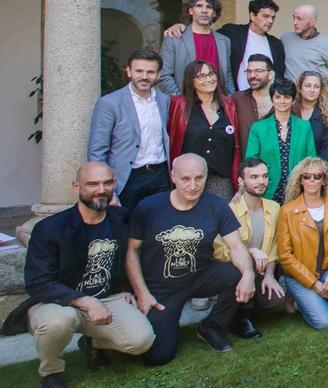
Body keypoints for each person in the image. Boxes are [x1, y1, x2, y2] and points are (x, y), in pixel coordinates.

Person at [3, 163, 153, 387]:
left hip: (107, 299)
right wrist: (84, 301)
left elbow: (129, 256)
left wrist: (128, 289)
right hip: (59, 302)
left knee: (141, 340)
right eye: (92, 184)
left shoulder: (120, 218)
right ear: (76, 186)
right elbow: (38, 283)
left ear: (114, 184)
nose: (101, 189)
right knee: (58, 322)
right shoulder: (50, 228)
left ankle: (93, 341)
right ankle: (51, 372)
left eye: (107, 183)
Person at [125, 154, 255, 365]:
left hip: (200, 276)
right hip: (162, 288)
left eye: (199, 178)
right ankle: (166, 323)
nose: (193, 186)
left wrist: (248, 274)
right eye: (185, 179)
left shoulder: (216, 205)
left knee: (240, 271)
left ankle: (212, 326)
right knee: (158, 356)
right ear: (173, 177)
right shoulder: (149, 207)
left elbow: (236, 246)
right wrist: (142, 293)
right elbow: (132, 251)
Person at [274, 158, 328, 329]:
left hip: (327, 270)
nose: (312, 180)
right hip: (300, 277)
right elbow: (285, 256)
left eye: (317, 176)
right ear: (300, 180)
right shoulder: (287, 211)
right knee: (324, 322)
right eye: (307, 176)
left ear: (324, 180)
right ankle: (300, 298)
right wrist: (314, 285)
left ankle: (318, 297)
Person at [90, 49, 171, 215]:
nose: (144, 76)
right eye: (139, 71)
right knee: (125, 229)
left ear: (158, 74)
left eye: (150, 72)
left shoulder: (164, 101)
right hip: (127, 178)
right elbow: (97, 151)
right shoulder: (109, 103)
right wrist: (107, 190)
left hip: (160, 175)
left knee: (158, 228)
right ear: (128, 71)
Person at [212, 159, 284, 340]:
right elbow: (219, 251)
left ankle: (249, 303)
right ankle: (241, 317)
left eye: (265, 176)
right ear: (241, 182)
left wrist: (269, 275)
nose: (261, 181)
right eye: (254, 177)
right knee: (246, 260)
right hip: (235, 270)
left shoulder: (274, 208)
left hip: (263, 269)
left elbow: (275, 245)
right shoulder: (228, 210)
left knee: (277, 303)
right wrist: (250, 252)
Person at [163, 0, 286, 93]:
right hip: (240, 98)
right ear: (252, 16)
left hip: (267, 100)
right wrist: (180, 26)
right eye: (265, 16)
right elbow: (202, 32)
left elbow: (279, 75)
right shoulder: (231, 33)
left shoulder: (276, 44)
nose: (270, 21)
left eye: (273, 17)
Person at [166, 60, 241, 201]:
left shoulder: (229, 105)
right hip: (188, 180)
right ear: (191, 81)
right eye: (201, 76)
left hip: (221, 180)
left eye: (211, 74)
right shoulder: (178, 105)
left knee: (218, 219)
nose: (209, 79)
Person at [243, 79, 316, 203]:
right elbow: (250, 160)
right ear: (272, 99)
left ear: (293, 100)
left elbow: (311, 160)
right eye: (278, 97)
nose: (282, 101)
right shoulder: (258, 128)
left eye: (287, 97)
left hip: (297, 189)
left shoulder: (304, 127)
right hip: (268, 189)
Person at [158, 0, 233, 95]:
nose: (204, 10)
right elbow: (164, 75)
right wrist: (182, 101)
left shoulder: (224, 41)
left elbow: (227, 75)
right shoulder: (174, 38)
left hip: (218, 104)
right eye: (199, 6)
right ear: (190, 10)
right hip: (187, 103)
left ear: (214, 13)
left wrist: (229, 98)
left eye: (209, 7)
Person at [280, 4, 328, 83]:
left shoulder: (326, 43)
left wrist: (321, 77)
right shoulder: (285, 38)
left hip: (314, 92)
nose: (295, 22)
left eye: (299, 19)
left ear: (312, 22)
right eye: (294, 18)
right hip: (290, 93)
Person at [230, 54, 275, 152]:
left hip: (275, 164)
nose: (252, 75)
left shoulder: (284, 101)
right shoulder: (237, 100)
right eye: (249, 71)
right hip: (245, 164)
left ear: (271, 75)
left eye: (258, 71)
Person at [294, 71, 328, 164]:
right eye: (308, 85)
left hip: (318, 166)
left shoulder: (326, 114)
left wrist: (319, 169)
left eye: (316, 87)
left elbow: (327, 147)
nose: (312, 90)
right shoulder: (291, 110)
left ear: (321, 90)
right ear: (300, 88)